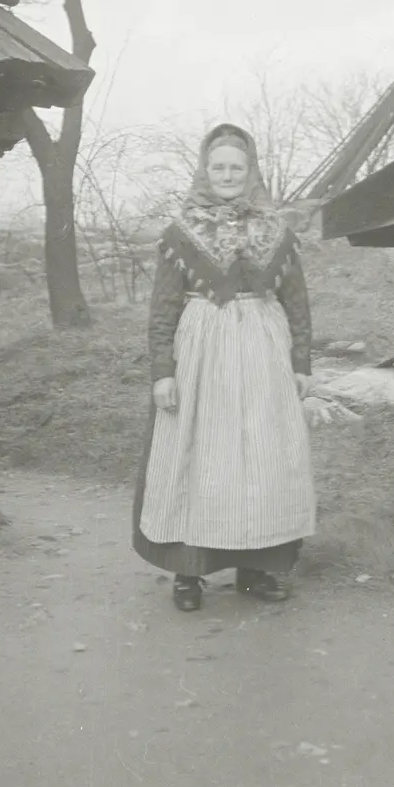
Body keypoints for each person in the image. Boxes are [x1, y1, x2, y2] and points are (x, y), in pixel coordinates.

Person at [132, 123, 317, 612]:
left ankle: (256, 571)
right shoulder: (181, 233)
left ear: (250, 170)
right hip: (202, 351)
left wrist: (301, 361)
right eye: (219, 167)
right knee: (200, 454)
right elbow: (163, 308)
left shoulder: (277, 230)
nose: (228, 175)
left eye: (237, 167)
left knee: (263, 456)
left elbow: (297, 301)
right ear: (205, 171)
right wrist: (162, 371)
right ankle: (188, 573)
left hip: (263, 350)